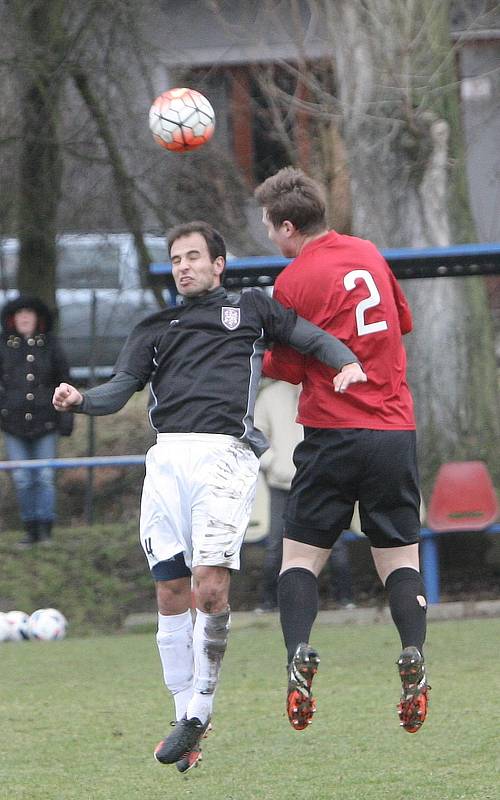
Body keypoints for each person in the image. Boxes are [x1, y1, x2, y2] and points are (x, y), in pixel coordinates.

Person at [52, 221, 367, 773]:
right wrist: (79, 399)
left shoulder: (250, 309)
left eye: (194, 256)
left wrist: (346, 360)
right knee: (171, 592)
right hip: (166, 459)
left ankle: (201, 708)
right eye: (176, 258)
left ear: (219, 264)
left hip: (224, 456)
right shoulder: (154, 326)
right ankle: (184, 717)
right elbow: (118, 390)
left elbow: (309, 336)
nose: (184, 266)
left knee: (209, 584)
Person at [254, 167, 429, 735]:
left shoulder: (294, 281)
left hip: (332, 432)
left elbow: (283, 367)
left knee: (300, 559)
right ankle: (412, 654)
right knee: (399, 558)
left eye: (268, 227)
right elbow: (401, 322)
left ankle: (299, 651)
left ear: (286, 227)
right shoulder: (367, 252)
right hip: (393, 431)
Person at [253, 379, 355, 613]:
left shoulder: (323, 390)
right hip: (281, 483)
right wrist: (272, 463)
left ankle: (346, 599)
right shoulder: (269, 395)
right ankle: (269, 603)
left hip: (320, 482)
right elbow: (255, 435)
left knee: (334, 542)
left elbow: (339, 431)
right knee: (276, 544)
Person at [0, 296, 73, 547]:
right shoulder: (4, 346)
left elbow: (64, 382)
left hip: (46, 422)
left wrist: (66, 418)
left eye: (29, 314)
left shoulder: (50, 346)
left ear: (37, 319)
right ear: (12, 319)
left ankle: (45, 530)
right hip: (13, 424)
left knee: (44, 476)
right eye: (19, 314)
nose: (24, 318)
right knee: (21, 477)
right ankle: (29, 528)